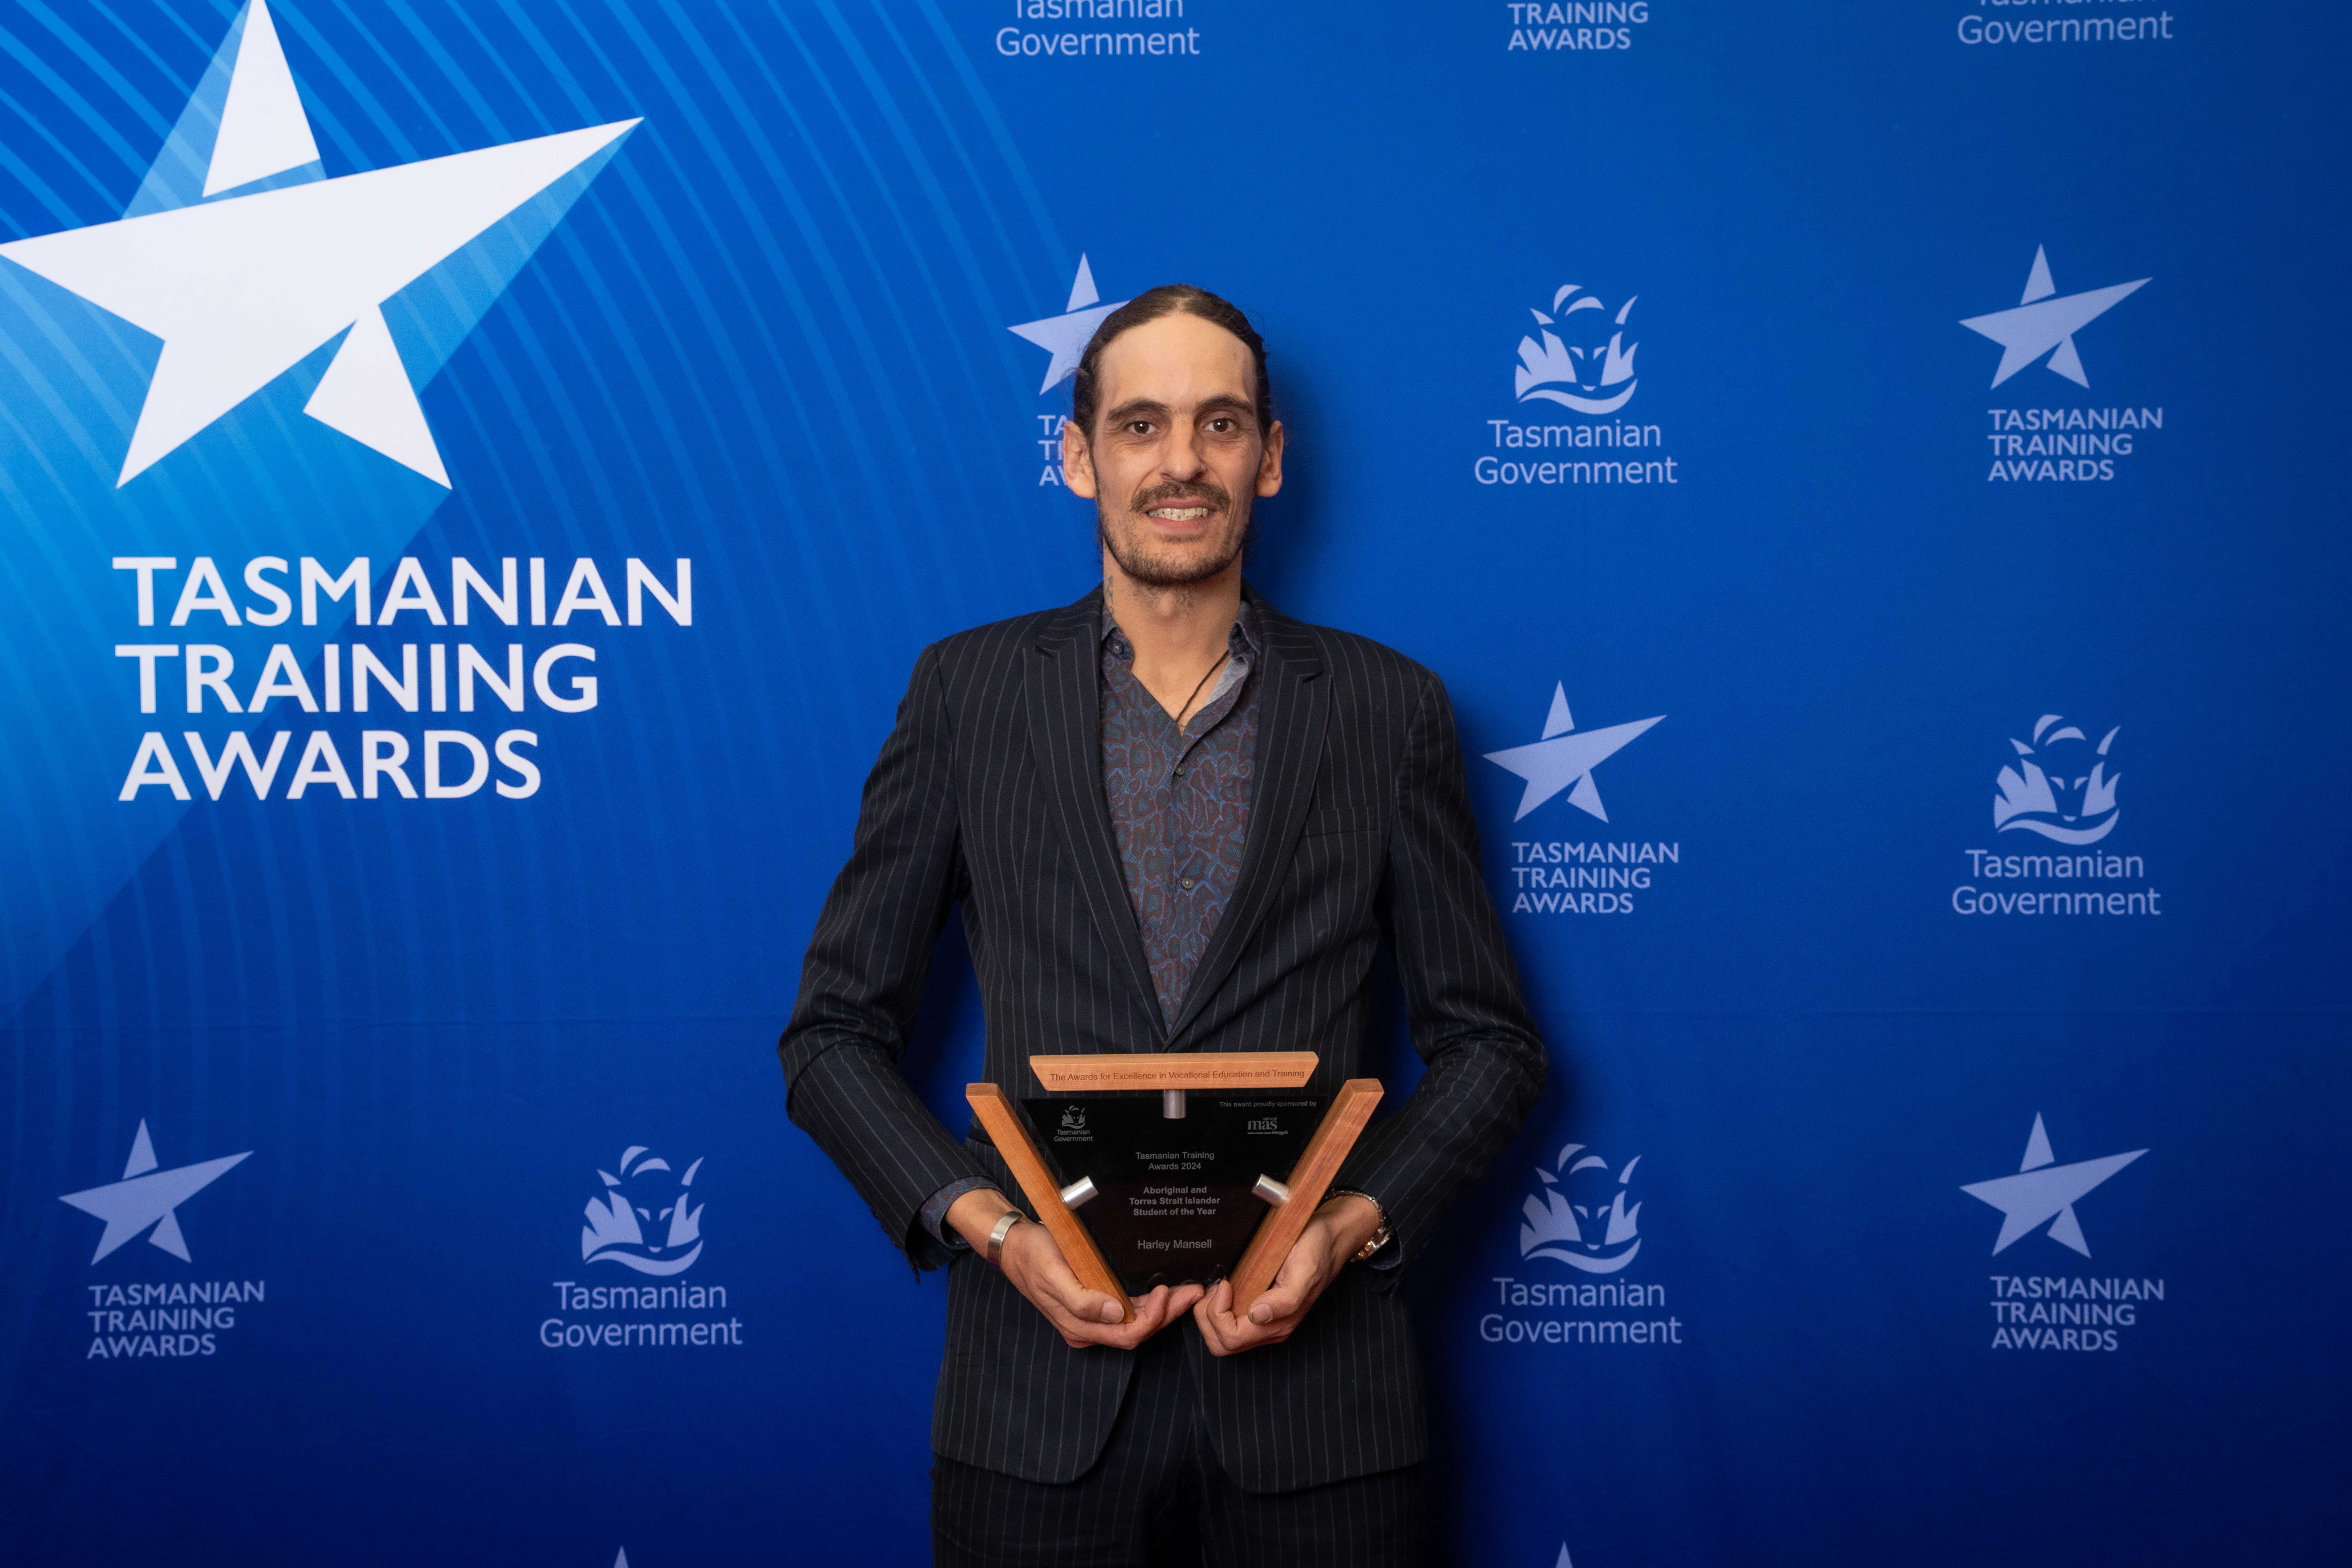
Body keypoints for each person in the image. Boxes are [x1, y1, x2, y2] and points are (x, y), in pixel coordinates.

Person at [779, 284, 1545, 1566]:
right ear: (1079, 457)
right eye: (1140, 426)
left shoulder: (1387, 708)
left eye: (1219, 424)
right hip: (1034, 1410)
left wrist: (1349, 1224)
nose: (1181, 463)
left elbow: (1492, 1046)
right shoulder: (963, 695)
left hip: (1324, 1416)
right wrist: (1000, 1237)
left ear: (1271, 458)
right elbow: (832, 1035)